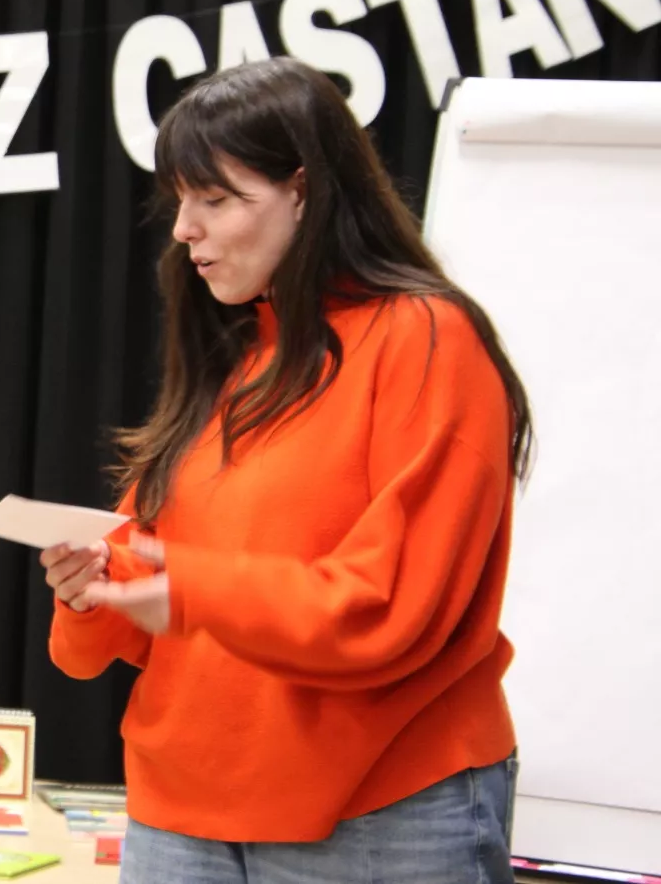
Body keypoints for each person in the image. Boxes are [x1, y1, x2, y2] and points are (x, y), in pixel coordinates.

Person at [43, 56, 528, 883]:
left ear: (305, 191)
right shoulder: (234, 355)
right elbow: (128, 609)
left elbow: (389, 605)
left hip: (382, 811)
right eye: (180, 201)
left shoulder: (426, 337)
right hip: (180, 816)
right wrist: (88, 586)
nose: (183, 230)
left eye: (216, 199)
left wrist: (192, 591)